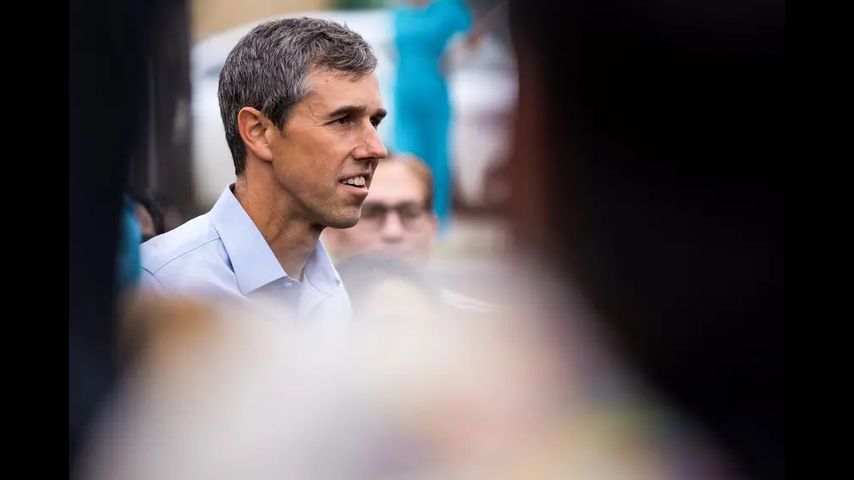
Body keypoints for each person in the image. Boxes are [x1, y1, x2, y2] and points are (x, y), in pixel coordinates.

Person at [141, 18, 388, 321]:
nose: (376, 149)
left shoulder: (333, 295)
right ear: (258, 132)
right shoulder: (159, 285)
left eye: (374, 122)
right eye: (343, 120)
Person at [322, 153, 493, 311]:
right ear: (331, 232)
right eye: (371, 213)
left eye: (410, 213)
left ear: (432, 228)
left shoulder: (479, 327)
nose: (393, 231)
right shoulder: (306, 326)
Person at [393, 0, 476, 229]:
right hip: (404, 93)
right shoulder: (400, 12)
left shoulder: (447, 9)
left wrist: (456, 55)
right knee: (407, 154)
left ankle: (437, 218)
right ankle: (409, 214)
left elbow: (473, 37)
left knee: (436, 156)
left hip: (433, 90)